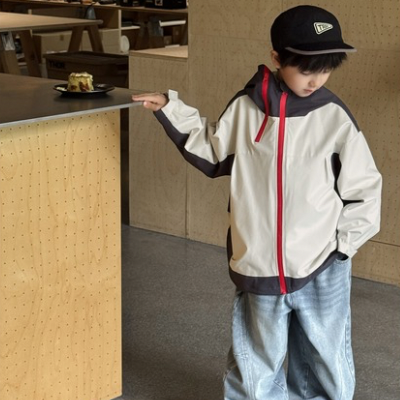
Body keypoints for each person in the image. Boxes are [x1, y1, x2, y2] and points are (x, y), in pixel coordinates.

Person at [132, 5, 382, 400]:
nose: (316, 79)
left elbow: (365, 187)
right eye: (306, 68)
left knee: (324, 353)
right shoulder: (246, 109)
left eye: (326, 68)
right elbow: (212, 150)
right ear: (277, 58)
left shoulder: (334, 118)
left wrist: (343, 246)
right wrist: (170, 108)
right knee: (256, 357)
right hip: (259, 262)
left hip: (322, 261)